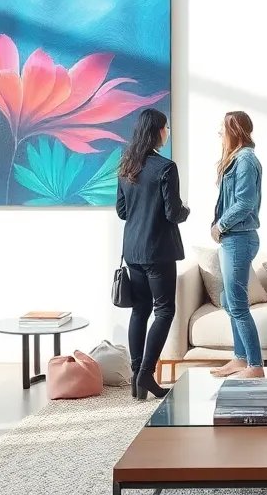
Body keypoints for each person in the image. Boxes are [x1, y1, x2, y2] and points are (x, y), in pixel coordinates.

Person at [115, 109, 189, 400]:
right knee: (164, 310)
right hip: (158, 251)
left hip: (132, 251)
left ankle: (137, 376)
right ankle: (146, 374)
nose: (168, 131)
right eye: (166, 127)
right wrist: (185, 209)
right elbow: (173, 213)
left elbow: (122, 211)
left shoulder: (126, 166)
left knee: (140, 310)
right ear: (158, 131)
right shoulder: (166, 168)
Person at [208, 111, 265, 379]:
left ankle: (255, 366)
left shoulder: (245, 160)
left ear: (234, 129)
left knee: (238, 305)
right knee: (230, 301)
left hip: (239, 239)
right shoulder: (235, 160)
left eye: (222, 127)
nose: (219, 132)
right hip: (232, 238)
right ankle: (240, 359)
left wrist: (220, 226)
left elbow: (244, 204)